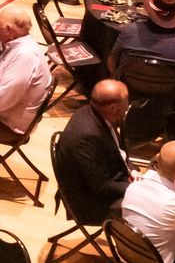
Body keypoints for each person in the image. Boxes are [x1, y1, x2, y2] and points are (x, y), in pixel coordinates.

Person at [56, 79, 131, 216]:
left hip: (111, 181)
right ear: (113, 108)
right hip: (90, 202)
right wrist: (137, 188)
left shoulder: (95, 112)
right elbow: (102, 187)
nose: (128, 105)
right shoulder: (87, 136)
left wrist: (132, 171)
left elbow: (117, 151)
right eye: (126, 101)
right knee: (150, 209)